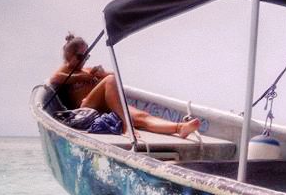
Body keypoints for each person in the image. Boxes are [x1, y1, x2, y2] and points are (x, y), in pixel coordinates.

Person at [49, 33, 200, 138]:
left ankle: (179, 128)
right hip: (86, 107)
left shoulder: (88, 70)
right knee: (109, 81)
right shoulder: (67, 70)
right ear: (69, 56)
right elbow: (55, 77)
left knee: (141, 116)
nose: (84, 60)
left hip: (106, 107)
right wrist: (86, 76)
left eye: (87, 55)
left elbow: (115, 77)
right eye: (80, 56)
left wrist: (100, 73)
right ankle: (127, 126)